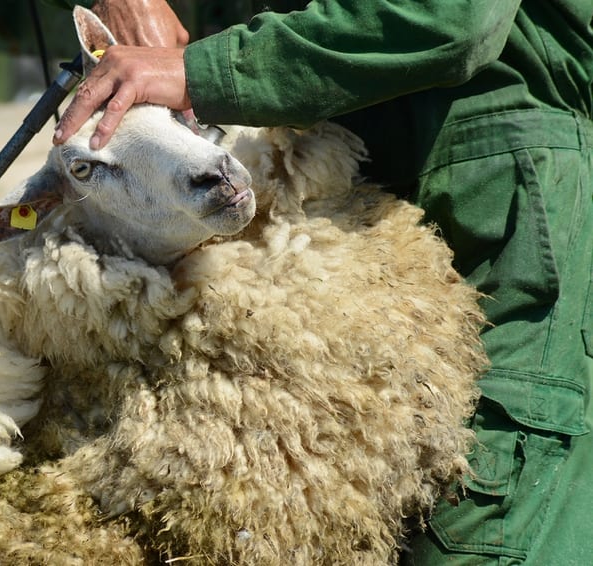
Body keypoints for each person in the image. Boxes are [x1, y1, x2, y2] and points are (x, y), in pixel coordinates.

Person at [49, 1, 593, 564]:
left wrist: (201, 72)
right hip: (301, 173)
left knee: (479, 520)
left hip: (484, 184)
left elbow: (456, 18)